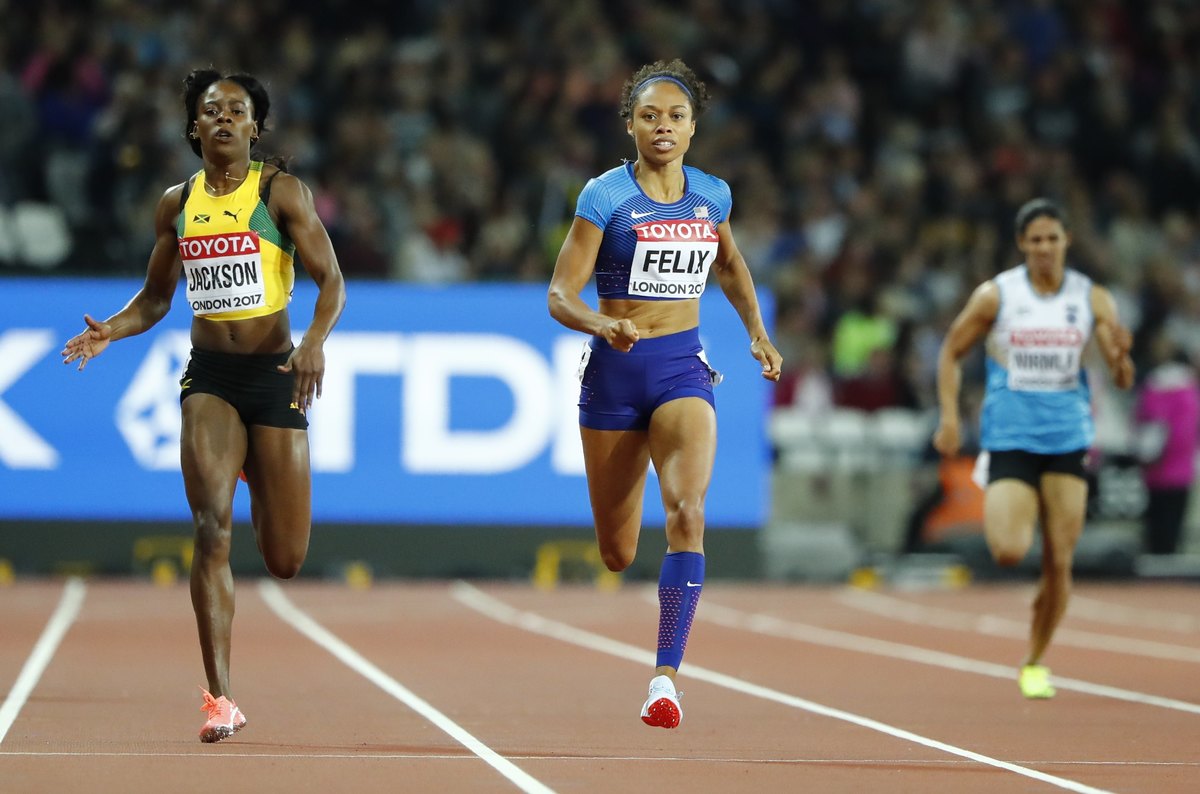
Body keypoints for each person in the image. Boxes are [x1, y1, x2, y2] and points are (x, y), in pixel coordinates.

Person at [61, 69, 346, 741]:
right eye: (212, 110)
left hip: (274, 377)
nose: (223, 118)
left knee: (285, 558)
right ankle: (221, 699)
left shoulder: (279, 193)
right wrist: (112, 329)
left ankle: (252, 463)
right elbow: (157, 299)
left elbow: (331, 279)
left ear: (255, 128)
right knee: (212, 528)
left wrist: (313, 340)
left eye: (236, 111)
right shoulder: (177, 203)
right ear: (194, 127)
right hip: (210, 379)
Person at [547, 59, 782, 728]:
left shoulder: (712, 195)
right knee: (617, 552)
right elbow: (560, 294)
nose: (663, 127)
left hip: (682, 368)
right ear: (630, 125)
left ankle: (665, 680)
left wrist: (757, 332)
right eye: (649, 116)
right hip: (615, 376)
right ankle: (647, 614)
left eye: (676, 116)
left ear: (693, 128)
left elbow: (730, 265)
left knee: (688, 513)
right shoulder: (605, 196)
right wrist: (602, 324)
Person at [933, 197, 1134, 699]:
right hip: (1012, 437)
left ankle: (1035, 659)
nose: (1045, 247)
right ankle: (1040, 606)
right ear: (1023, 243)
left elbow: (1121, 377)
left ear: (1067, 241)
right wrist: (950, 416)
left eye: (1053, 238)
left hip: (1067, 439)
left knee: (1059, 561)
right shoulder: (997, 295)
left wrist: (1121, 359)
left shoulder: (1092, 299)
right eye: (1036, 239)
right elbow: (951, 351)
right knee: (1008, 550)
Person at [1133, 328, 1200, 555]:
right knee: (1172, 522)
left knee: (1156, 519)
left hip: (1156, 465)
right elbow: (1186, 431)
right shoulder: (1186, 391)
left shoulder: (1152, 386)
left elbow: (1141, 422)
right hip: (1178, 467)